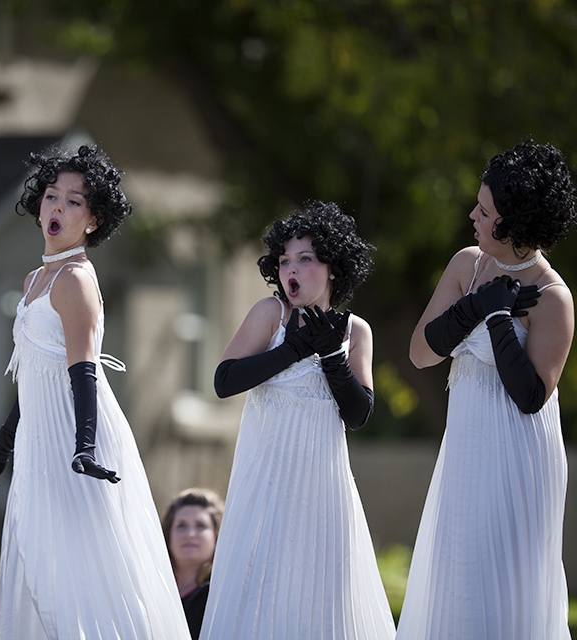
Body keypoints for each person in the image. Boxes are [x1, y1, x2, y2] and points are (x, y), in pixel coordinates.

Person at [0, 144, 191, 640]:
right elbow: (34, 382)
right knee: (40, 565)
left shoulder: (75, 280)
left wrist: (84, 446)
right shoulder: (33, 280)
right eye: (50, 196)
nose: (57, 208)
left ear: (93, 219)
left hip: (75, 441)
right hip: (40, 443)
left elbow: (82, 370)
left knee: (87, 571)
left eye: (73, 201)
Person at [398, 140, 575, 639]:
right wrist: (475, 306)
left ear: (514, 224)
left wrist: (498, 318)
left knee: (504, 578)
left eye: (485, 209)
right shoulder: (466, 264)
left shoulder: (554, 298)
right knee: (458, 575)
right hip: (467, 447)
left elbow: (530, 396)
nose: (473, 215)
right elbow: (421, 353)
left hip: (520, 455)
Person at [202, 201, 395, 640]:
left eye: (306, 259)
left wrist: (330, 355)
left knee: (321, 600)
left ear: (333, 268)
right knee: (259, 594)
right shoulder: (270, 314)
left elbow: (358, 413)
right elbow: (224, 380)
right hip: (264, 484)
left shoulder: (355, 330)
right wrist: (292, 349)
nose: (292, 268)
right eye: (285, 259)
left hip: (323, 489)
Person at [161, 488, 224, 640]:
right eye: (181, 525)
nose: (190, 534)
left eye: (200, 525)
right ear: (168, 535)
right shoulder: (149, 589)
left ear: (217, 536)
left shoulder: (219, 597)